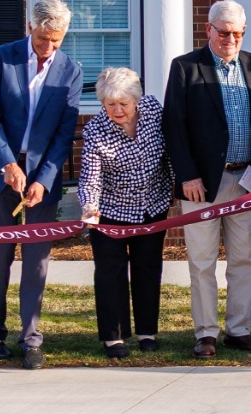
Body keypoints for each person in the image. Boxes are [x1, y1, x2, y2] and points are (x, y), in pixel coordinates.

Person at [0, 0, 83, 369]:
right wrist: (7, 163)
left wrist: (44, 180)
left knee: (36, 262)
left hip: (41, 177)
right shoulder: (1, 58)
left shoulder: (71, 71)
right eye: (43, 38)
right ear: (30, 27)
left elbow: (64, 134)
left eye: (56, 40)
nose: (48, 47)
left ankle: (31, 339)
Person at [162, 0, 251, 358]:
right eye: (223, 32)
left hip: (247, 179)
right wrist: (187, 176)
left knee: (245, 259)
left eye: (237, 34)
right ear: (208, 29)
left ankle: (239, 330)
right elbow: (174, 126)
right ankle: (206, 333)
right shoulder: (186, 67)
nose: (230, 39)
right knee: (202, 262)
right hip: (202, 184)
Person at [77, 66, 173, 359]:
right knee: (110, 272)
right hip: (111, 211)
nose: (117, 111)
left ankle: (147, 332)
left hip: (152, 206)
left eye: (123, 104)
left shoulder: (153, 110)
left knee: (148, 268)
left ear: (136, 100)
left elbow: (171, 148)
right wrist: (89, 207)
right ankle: (114, 336)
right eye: (110, 104)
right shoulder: (95, 130)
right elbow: (90, 177)